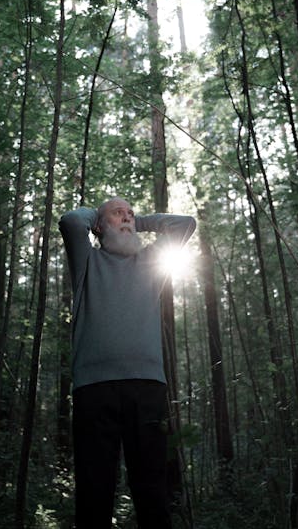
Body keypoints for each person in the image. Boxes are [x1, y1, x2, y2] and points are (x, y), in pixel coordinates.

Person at [59, 197, 196, 529]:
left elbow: (185, 224)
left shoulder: (148, 262)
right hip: (94, 390)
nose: (128, 219)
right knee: (94, 492)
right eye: (119, 214)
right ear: (99, 226)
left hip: (147, 387)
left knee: (152, 491)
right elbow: (69, 222)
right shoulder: (87, 261)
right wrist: (98, 216)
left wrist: (139, 221)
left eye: (131, 215)